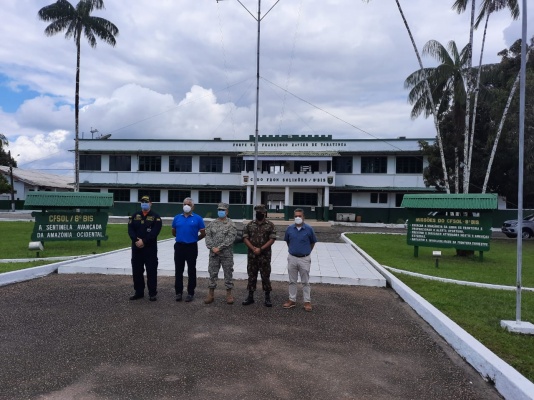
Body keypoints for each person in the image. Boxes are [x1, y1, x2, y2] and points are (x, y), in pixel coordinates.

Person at [127, 195, 162, 301]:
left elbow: (155, 232)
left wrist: (144, 241)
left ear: (151, 203)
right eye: (142, 202)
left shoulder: (156, 217)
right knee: (137, 270)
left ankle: (152, 293)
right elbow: (130, 229)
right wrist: (136, 240)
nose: (144, 204)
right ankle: (139, 292)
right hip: (137, 248)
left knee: (151, 270)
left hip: (149, 248)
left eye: (146, 202)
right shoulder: (134, 215)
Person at [242, 204, 277, 307]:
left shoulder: (270, 225)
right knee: (251, 276)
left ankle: (267, 297)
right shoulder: (249, 225)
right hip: (252, 255)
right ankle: (250, 296)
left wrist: (261, 249)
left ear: (264, 213)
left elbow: (272, 239)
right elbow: (245, 238)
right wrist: (253, 249)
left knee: (265, 276)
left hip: (265, 255)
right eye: (257, 212)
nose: (259, 214)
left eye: (260, 212)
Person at [283, 208, 317, 312]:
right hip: (292, 258)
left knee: (305, 281)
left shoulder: (309, 229)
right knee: (292, 281)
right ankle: (292, 300)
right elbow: (288, 241)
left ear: (303, 217)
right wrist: (294, 250)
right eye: (296, 216)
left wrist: (305, 252)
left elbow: (312, 242)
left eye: (300, 216)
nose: (298, 218)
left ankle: (307, 301)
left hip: (304, 258)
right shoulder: (289, 229)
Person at [172, 197, 206, 302]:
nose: (186, 206)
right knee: (178, 270)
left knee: (191, 270)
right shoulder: (177, 217)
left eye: (189, 204)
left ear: (193, 206)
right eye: (185, 204)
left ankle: (190, 292)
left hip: (191, 247)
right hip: (179, 246)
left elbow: (203, 233)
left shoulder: (198, 218)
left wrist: (195, 239)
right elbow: (174, 231)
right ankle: (178, 292)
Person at [204, 202, 237, 305]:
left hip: (226, 254)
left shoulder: (231, 224)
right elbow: (208, 236)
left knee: (228, 273)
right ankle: (211, 294)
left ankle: (229, 294)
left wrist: (219, 247)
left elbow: (230, 238)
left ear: (227, 211)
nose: (220, 212)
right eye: (219, 210)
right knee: (212, 273)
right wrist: (212, 247)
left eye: (223, 210)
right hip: (214, 254)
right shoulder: (212, 224)